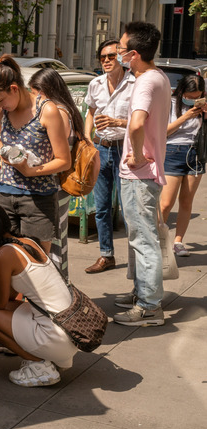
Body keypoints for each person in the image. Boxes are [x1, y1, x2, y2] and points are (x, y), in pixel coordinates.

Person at [0, 203, 77, 387]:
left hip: (57, 337)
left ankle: (39, 365)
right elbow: (8, 295)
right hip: (68, 332)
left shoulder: (4, 255)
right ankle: (48, 357)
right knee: (12, 306)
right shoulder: (28, 243)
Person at [0, 55, 72, 254]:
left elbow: (64, 161)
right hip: (4, 193)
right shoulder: (1, 109)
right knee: (6, 258)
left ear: (14, 88)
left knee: (36, 262)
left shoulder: (46, 110)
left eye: (0, 99)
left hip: (38, 199)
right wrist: (2, 152)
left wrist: (32, 171)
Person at [113, 22, 171, 326]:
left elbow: (137, 124)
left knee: (143, 239)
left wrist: (135, 156)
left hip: (140, 174)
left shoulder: (146, 82)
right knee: (141, 237)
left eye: (121, 50)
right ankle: (142, 293)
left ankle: (149, 305)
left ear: (134, 54)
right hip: (149, 171)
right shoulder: (159, 77)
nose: (118, 53)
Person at [82, 40, 136, 274]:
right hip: (101, 149)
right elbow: (90, 112)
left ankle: (136, 261)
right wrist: (86, 140)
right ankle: (106, 255)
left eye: (111, 56)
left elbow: (144, 120)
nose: (105, 60)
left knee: (128, 210)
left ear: (122, 58)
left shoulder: (136, 84)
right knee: (101, 207)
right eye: (102, 56)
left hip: (126, 149)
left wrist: (117, 122)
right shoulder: (95, 84)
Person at [160, 75, 206, 257]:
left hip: (196, 154)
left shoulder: (203, 106)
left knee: (186, 201)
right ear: (181, 92)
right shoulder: (170, 104)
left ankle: (178, 241)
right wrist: (186, 116)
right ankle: (160, 241)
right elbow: (164, 132)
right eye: (190, 96)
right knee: (165, 204)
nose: (193, 100)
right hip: (172, 152)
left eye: (197, 97)